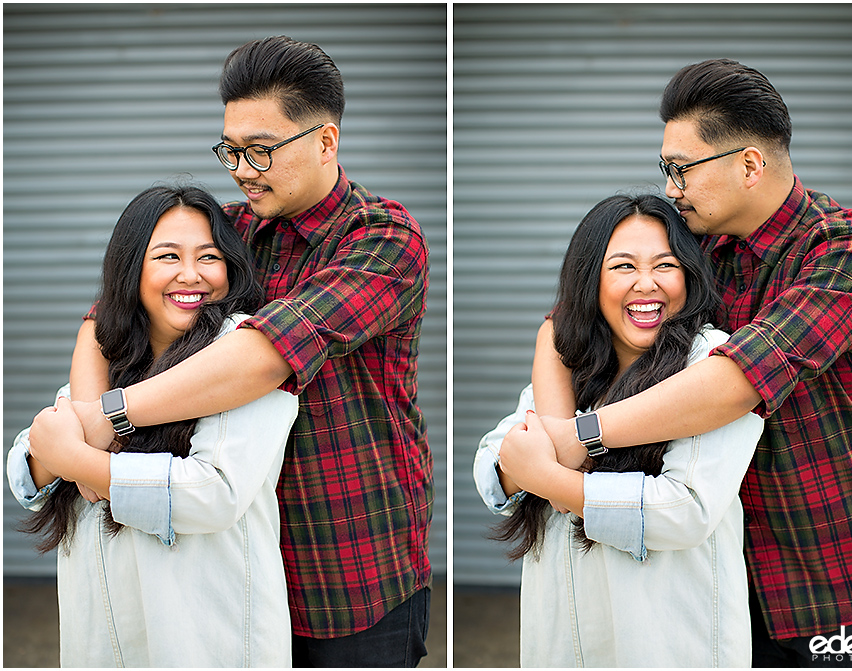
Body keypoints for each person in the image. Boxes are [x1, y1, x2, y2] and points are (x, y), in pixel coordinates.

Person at [66, 36, 432, 667]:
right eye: (231, 150)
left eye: (260, 151)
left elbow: (266, 355)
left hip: (349, 567)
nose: (240, 168)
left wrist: (109, 417)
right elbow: (110, 311)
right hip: (228, 565)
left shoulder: (382, 236)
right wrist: (83, 427)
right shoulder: (227, 231)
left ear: (325, 141)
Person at [534, 59, 852, 666]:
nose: (671, 187)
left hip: (835, 572)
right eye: (664, 170)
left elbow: (738, 380)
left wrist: (582, 438)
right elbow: (565, 323)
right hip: (711, 575)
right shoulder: (691, 247)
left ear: (749, 164)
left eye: (682, 169)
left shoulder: (846, 248)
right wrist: (553, 433)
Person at [7, 184, 299, 667]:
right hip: (103, 637)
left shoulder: (241, 355)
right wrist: (48, 453)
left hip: (205, 638)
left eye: (209, 257)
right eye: (167, 256)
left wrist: (78, 460)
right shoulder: (112, 353)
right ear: (131, 269)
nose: (191, 275)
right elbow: (28, 472)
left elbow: (213, 492)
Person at [474, 193, 764, 667]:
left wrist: (545, 477)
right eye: (623, 267)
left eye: (665, 265)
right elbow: (493, 464)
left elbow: (684, 509)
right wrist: (519, 465)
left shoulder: (710, 362)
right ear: (592, 280)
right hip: (563, 639)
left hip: (668, 642)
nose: (646, 284)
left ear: (689, 276)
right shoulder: (577, 361)